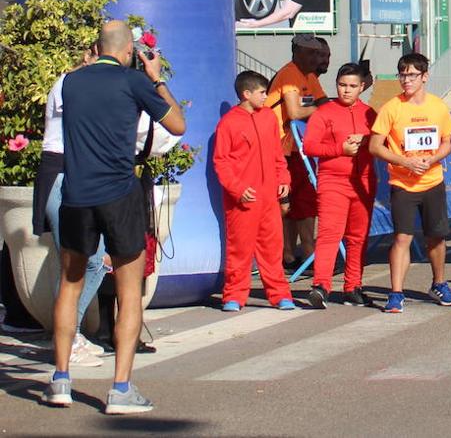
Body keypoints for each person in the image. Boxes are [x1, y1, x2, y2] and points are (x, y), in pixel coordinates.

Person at [44, 20, 185, 415]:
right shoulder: (134, 81)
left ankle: (60, 380)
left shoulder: (70, 82)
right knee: (129, 290)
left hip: (75, 194)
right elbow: (177, 123)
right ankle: (120, 388)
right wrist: (155, 79)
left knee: (69, 286)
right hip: (119, 195)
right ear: (128, 52)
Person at [33, 46, 107, 366]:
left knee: (96, 259)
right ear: (89, 55)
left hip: (82, 177)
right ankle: (67, 339)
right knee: (80, 260)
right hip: (61, 174)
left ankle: (70, 333)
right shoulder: (68, 84)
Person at [370, 53, 451, 313]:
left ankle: (439, 283)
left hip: (432, 181)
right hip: (403, 184)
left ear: (424, 77)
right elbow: (375, 146)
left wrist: (432, 159)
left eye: (412, 75)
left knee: (436, 237)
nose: (406, 81)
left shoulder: (438, 106)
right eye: (402, 75)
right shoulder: (392, 108)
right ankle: (396, 293)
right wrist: (404, 162)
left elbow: (447, 142)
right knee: (402, 238)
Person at [212, 70, 295, 313]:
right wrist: (237, 189)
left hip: (269, 195)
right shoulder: (228, 122)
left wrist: (283, 179)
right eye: (262, 92)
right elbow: (221, 161)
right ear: (246, 94)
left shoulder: (269, 117)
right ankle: (234, 295)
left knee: (272, 248)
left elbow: (277, 153)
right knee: (240, 248)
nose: (266, 97)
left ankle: (280, 294)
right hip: (243, 198)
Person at [303, 63, 377, 309]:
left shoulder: (370, 113)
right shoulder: (324, 113)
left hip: (364, 181)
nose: (346, 91)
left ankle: (353, 287)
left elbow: (382, 140)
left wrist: (365, 140)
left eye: (352, 86)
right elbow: (309, 146)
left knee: (358, 237)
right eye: (342, 85)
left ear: (362, 87)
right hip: (333, 181)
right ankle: (321, 285)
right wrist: (340, 150)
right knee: (329, 234)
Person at [265, 35, 327, 270]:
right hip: (282, 146)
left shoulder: (309, 76)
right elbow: (294, 111)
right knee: (291, 201)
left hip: (299, 146)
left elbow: (322, 102)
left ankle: (291, 253)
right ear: (297, 52)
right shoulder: (289, 74)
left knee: (299, 201)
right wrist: (320, 110)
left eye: (318, 54)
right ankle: (301, 252)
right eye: (312, 53)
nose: (316, 58)